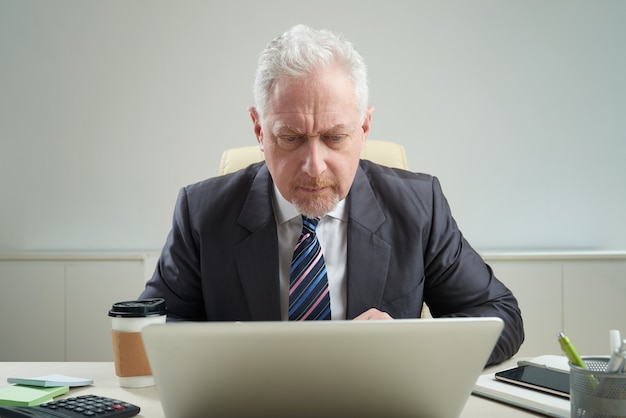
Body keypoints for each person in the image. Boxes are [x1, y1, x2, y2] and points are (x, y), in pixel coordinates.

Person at [140, 24, 524, 365]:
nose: (315, 165)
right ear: (259, 130)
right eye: (290, 138)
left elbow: (500, 315)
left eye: (335, 137)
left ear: (364, 127)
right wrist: (228, 352)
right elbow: (151, 327)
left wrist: (411, 344)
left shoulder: (420, 206)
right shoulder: (202, 212)